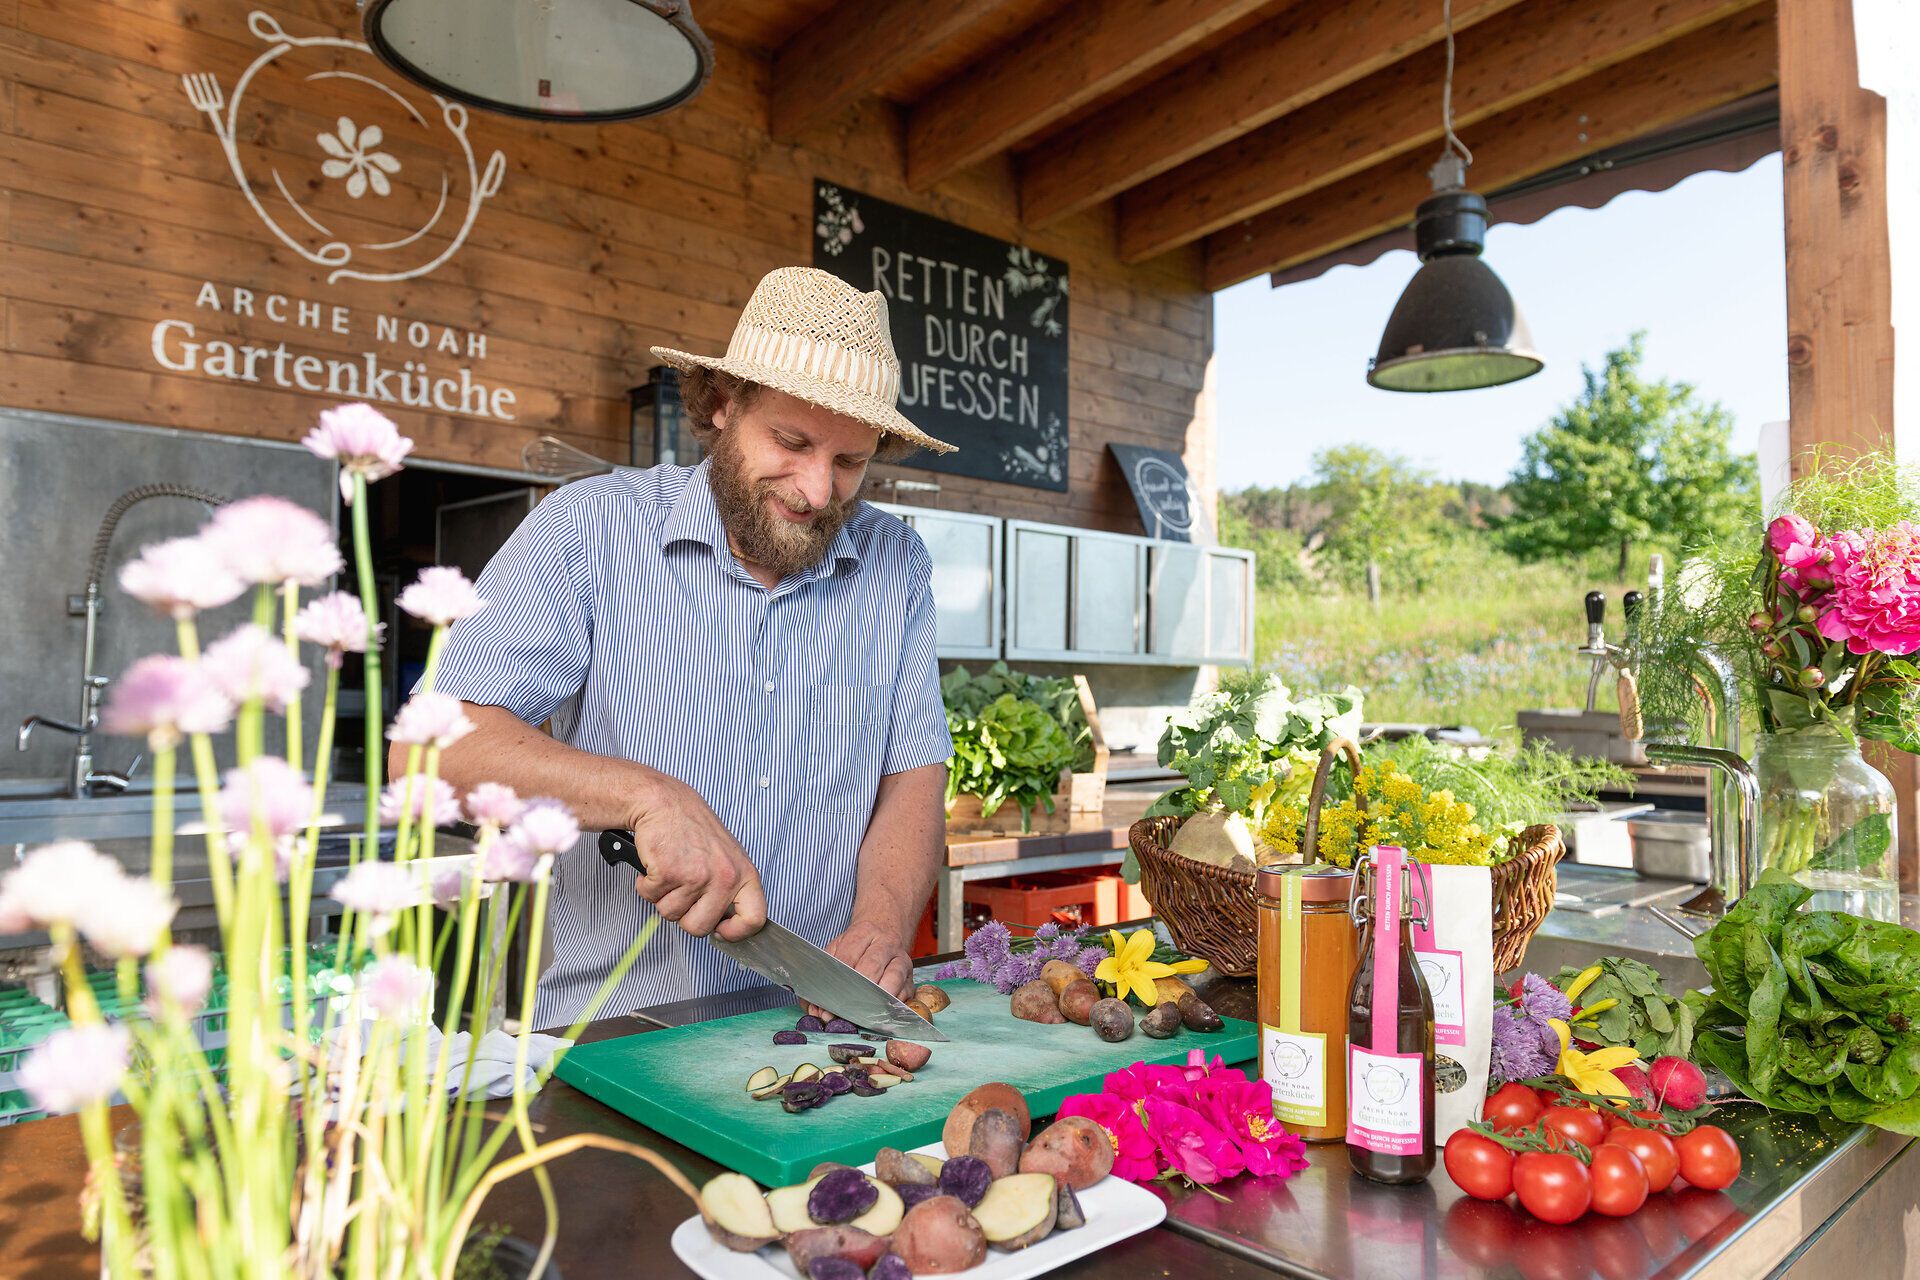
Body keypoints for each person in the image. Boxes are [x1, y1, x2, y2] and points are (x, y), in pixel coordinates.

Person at [418, 267, 957, 1026]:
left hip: (824, 1032)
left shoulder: (896, 563)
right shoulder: (588, 531)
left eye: (848, 463)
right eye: (792, 441)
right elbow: (436, 746)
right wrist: (647, 797)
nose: (813, 488)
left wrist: (881, 926)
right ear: (721, 405)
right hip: (615, 1036)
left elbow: (913, 776)